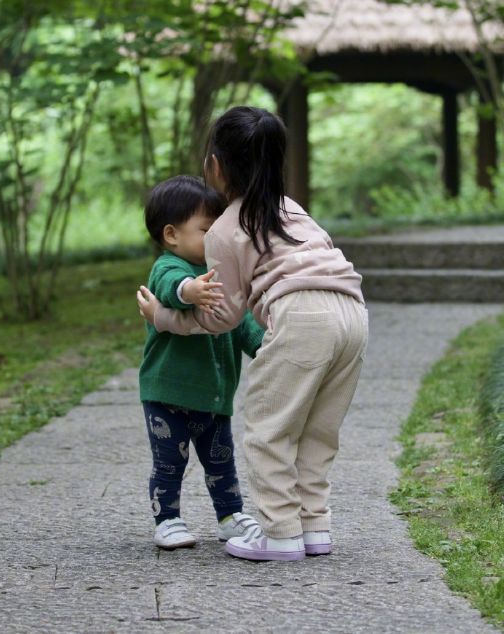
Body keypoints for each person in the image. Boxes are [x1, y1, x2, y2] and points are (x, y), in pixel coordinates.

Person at [137, 107, 368, 562]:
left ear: (216, 167)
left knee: (269, 428)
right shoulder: (292, 210)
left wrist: (164, 318)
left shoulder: (225, 229)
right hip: (354, 315)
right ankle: (313, 526)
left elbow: (220, 317)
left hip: (303, 317)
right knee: (318, 430)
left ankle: (280, 532)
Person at [139, 174, 264, 550]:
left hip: (213, 394)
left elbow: (240, 322)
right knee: (169, 463)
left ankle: (229, 516)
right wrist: (190, 291)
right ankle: (168, 519)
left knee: (221, 462)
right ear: (172, 235)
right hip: (167, 392)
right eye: (207, 230)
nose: (216, 239)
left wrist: (269, 345)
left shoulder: (222, 274)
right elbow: (169, 291)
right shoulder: (168, 267)